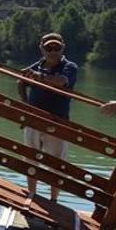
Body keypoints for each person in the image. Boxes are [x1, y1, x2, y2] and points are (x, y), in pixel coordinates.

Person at [17, 32, 78, 203]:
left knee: (56, 165)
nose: (52, 51)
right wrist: (26, 105)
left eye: (56, 47)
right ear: (41, 48)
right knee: (30, 159)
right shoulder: (37, 65)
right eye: (48, 48)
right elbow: (21, 82)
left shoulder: (70, 66)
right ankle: (32, 195)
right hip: (33, 120)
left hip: (57, 123)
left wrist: (40, 77)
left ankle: (53, 200)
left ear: (62, 48)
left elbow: (61, 81)